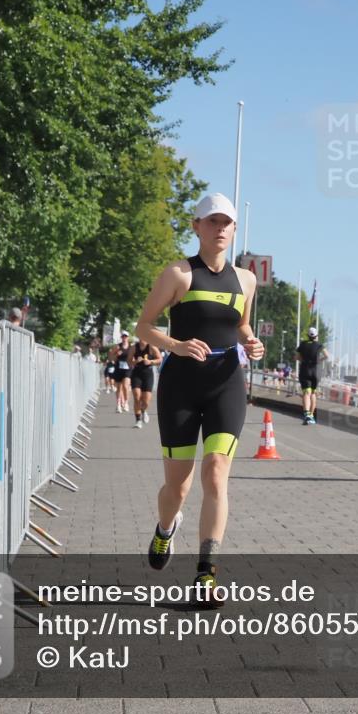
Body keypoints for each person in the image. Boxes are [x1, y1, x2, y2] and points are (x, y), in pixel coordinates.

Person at [133, 193, 263, 607]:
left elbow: (241, 324)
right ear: (197, 227)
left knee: (217, 471)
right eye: (212, 221)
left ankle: (206, 575)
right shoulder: (179, 273)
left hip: (227, 382)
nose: (219, 229)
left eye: (226, 223)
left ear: (235, 229)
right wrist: (177, 345)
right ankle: (165, 528)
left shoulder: (246, 280)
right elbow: (144, 326)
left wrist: (252, 341)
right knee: (179, 486)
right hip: (181, 385)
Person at [296, 327, 329, 424]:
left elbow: (297, 357)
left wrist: (304, 360)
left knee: (306, 393)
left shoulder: (302, 344)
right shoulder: (319, 345)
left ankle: (306, 415)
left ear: (308, 336)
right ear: (316, 336)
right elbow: (327, 355)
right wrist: (319, 360)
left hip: (305, 370)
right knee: (313, 393)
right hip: (316, 371)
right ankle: (311, 415)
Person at [129, 337, 162, 428]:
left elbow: (160, 359)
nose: (142, 339)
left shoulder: (151, 347)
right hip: (136, 373)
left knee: (146, 401)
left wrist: (150, 361)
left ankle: (144, 411)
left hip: (148, 374)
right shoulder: (134, 347)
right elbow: (129, 361)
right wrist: (135, 361)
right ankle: (138, 420)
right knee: (137, 397)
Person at [109, 331, 133, 413]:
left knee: (126, 386)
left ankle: (126, 403)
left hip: (128, 369)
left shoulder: (131, 347)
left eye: (125, 336)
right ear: (121, 337)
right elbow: (111, 357)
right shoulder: (117, 347)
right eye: (123, 336)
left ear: (128, 338)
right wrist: (116, 355)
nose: (124, 338)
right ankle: (118, 404)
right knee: (119, 388)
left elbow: (134, 357)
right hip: (119, 369)